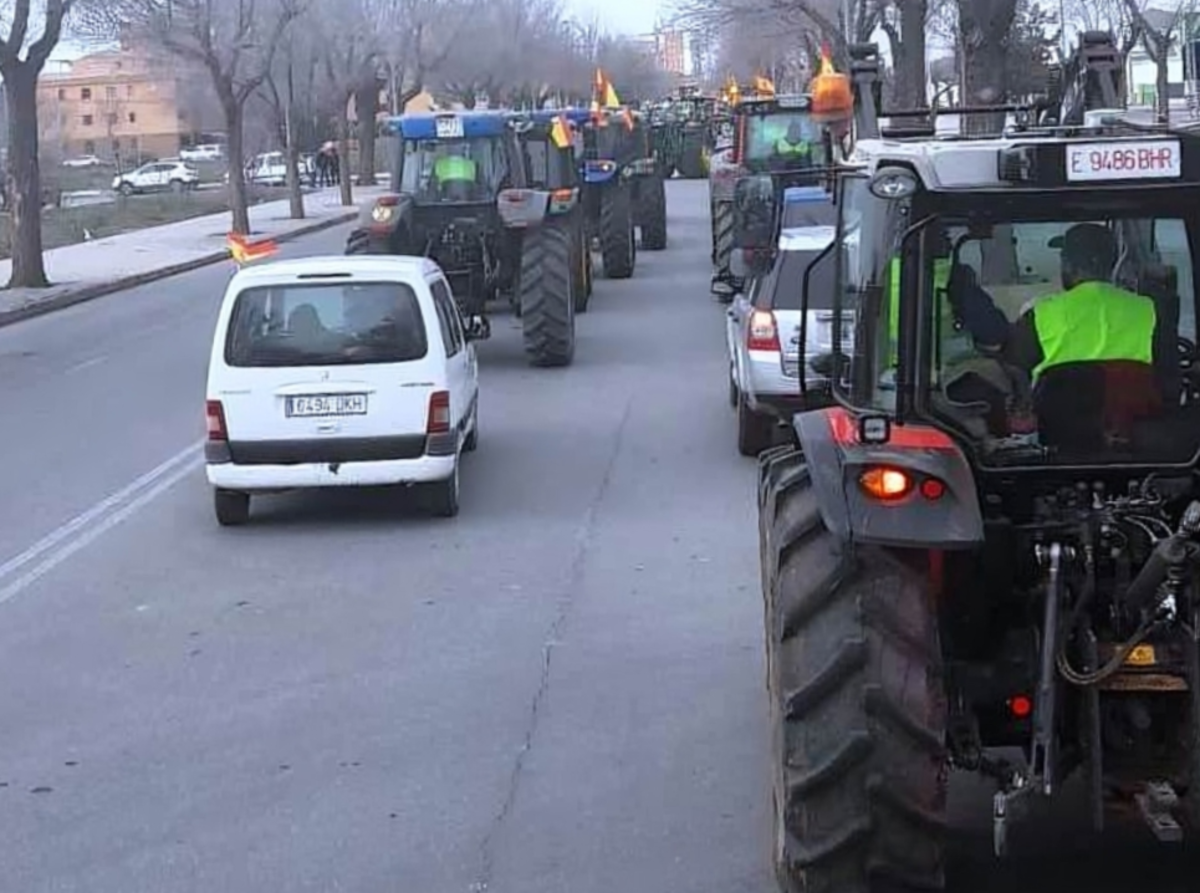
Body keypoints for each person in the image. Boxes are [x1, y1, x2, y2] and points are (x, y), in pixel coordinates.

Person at [952, 222, 1160, 450]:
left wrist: (1023, 401)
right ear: (1112, 264)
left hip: (1061, 433)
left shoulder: (1042, 313)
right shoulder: (1147, 309)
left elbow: (1013, 367)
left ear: (1069, 266)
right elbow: (1168, 374)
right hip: (1135, 434)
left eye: (1063, 259)